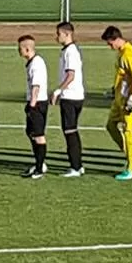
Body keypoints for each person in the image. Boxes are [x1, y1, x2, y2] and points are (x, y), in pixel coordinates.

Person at [102, 26, 132, 180]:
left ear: (115, 39)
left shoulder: (129, 54)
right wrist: (114, 90)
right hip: (120, 99)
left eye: (109, 43)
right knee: (110, 125)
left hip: (129, 101)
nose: (109, 46)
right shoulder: (121, 52)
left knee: (128, 131)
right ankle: (130, 154)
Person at [53, 22, 86, 177]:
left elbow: (70, 75)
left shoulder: (71, 52)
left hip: (70, 97)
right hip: (75, 96)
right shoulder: (69, 50)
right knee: (72, 131)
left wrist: (58, 91)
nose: (56, 37)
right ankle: (78, 164)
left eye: (58, 34)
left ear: (67, 34)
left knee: (70, 131)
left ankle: (75, 167)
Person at [17, 35, 51, 179]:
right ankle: (39, 162)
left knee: (38, 135)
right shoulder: (32, 63)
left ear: (27, 49)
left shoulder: (36, 63)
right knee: (30, 132)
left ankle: (40, 168)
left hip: (37, 103)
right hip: (35, 102)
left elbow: (36, 85)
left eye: (20, 48)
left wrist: (32, 104)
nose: (18, 50)